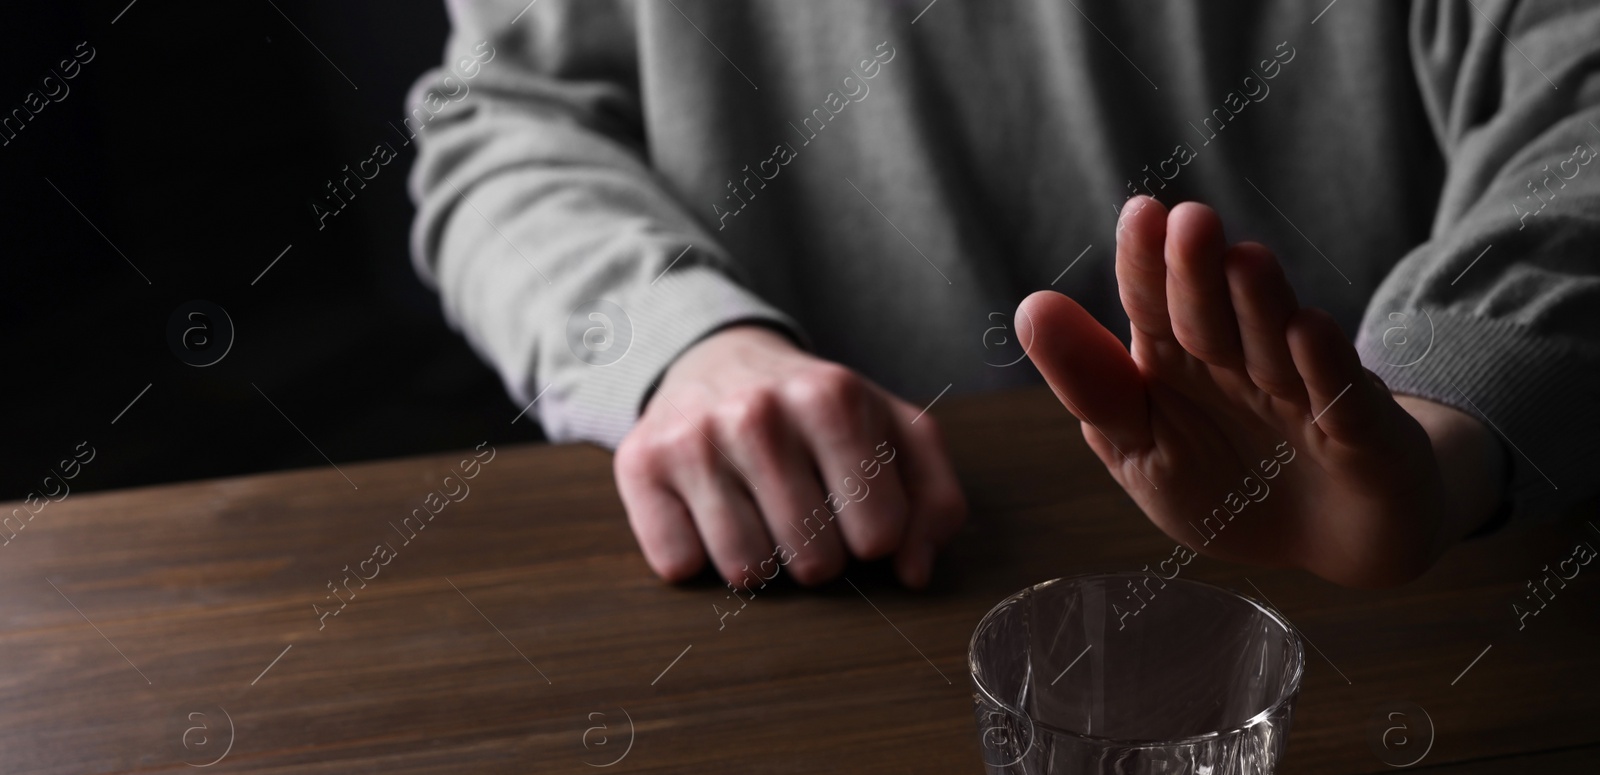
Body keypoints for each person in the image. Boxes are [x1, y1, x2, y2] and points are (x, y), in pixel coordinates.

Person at [406, 0, 1600, 590]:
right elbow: (509, 119)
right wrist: (684, 344)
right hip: (844, 590)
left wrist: (1441, 437)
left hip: (1442, 611)